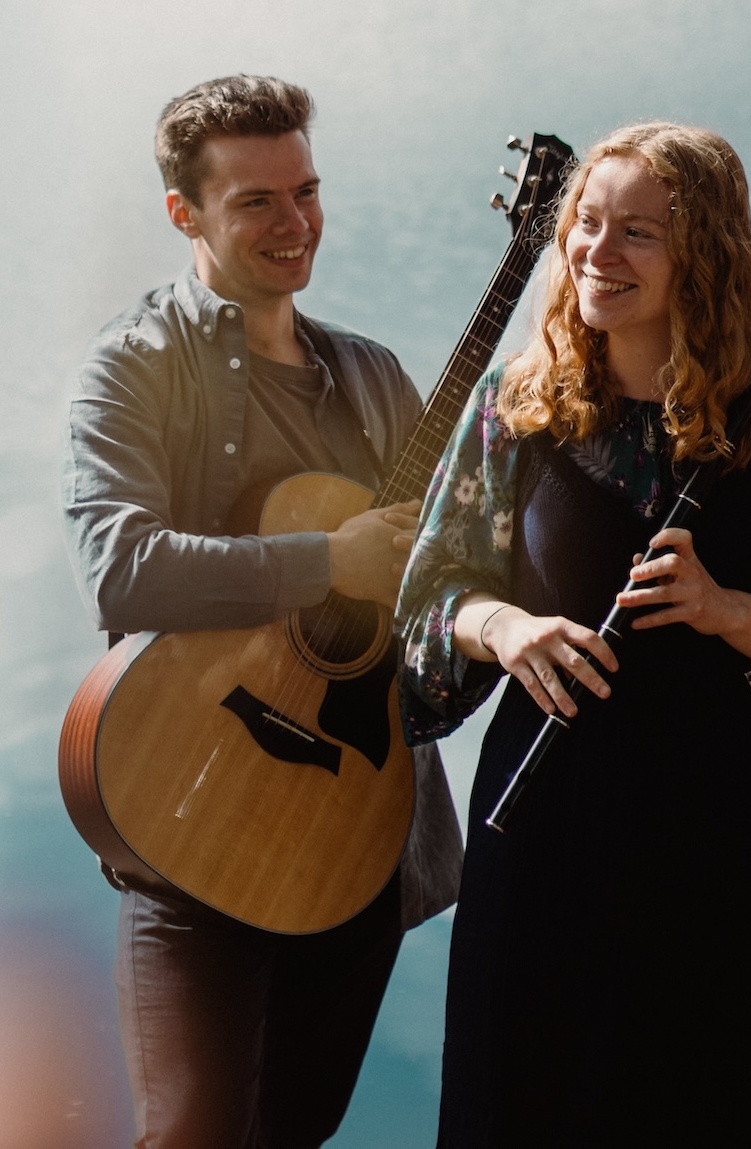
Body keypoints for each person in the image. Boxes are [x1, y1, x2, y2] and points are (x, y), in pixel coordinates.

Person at [398, 121, 751, 1149]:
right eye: (586, 223)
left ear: (702, 254)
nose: (595, 253)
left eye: (636, 234)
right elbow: (427, 603)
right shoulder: (518, 404)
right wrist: (503, 626)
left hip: (702, 836)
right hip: (538, 824)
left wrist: (721, 608)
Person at [61, 75, 463, 1149]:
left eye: (307, 192)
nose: (295, 224)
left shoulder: (372, 377)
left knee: (298, 1128)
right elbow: (119, 569)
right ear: (183, 213)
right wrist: (324, 561)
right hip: (188, 827)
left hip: (355, 831)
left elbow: (437, 593)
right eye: (256, 203)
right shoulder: (134, 368)